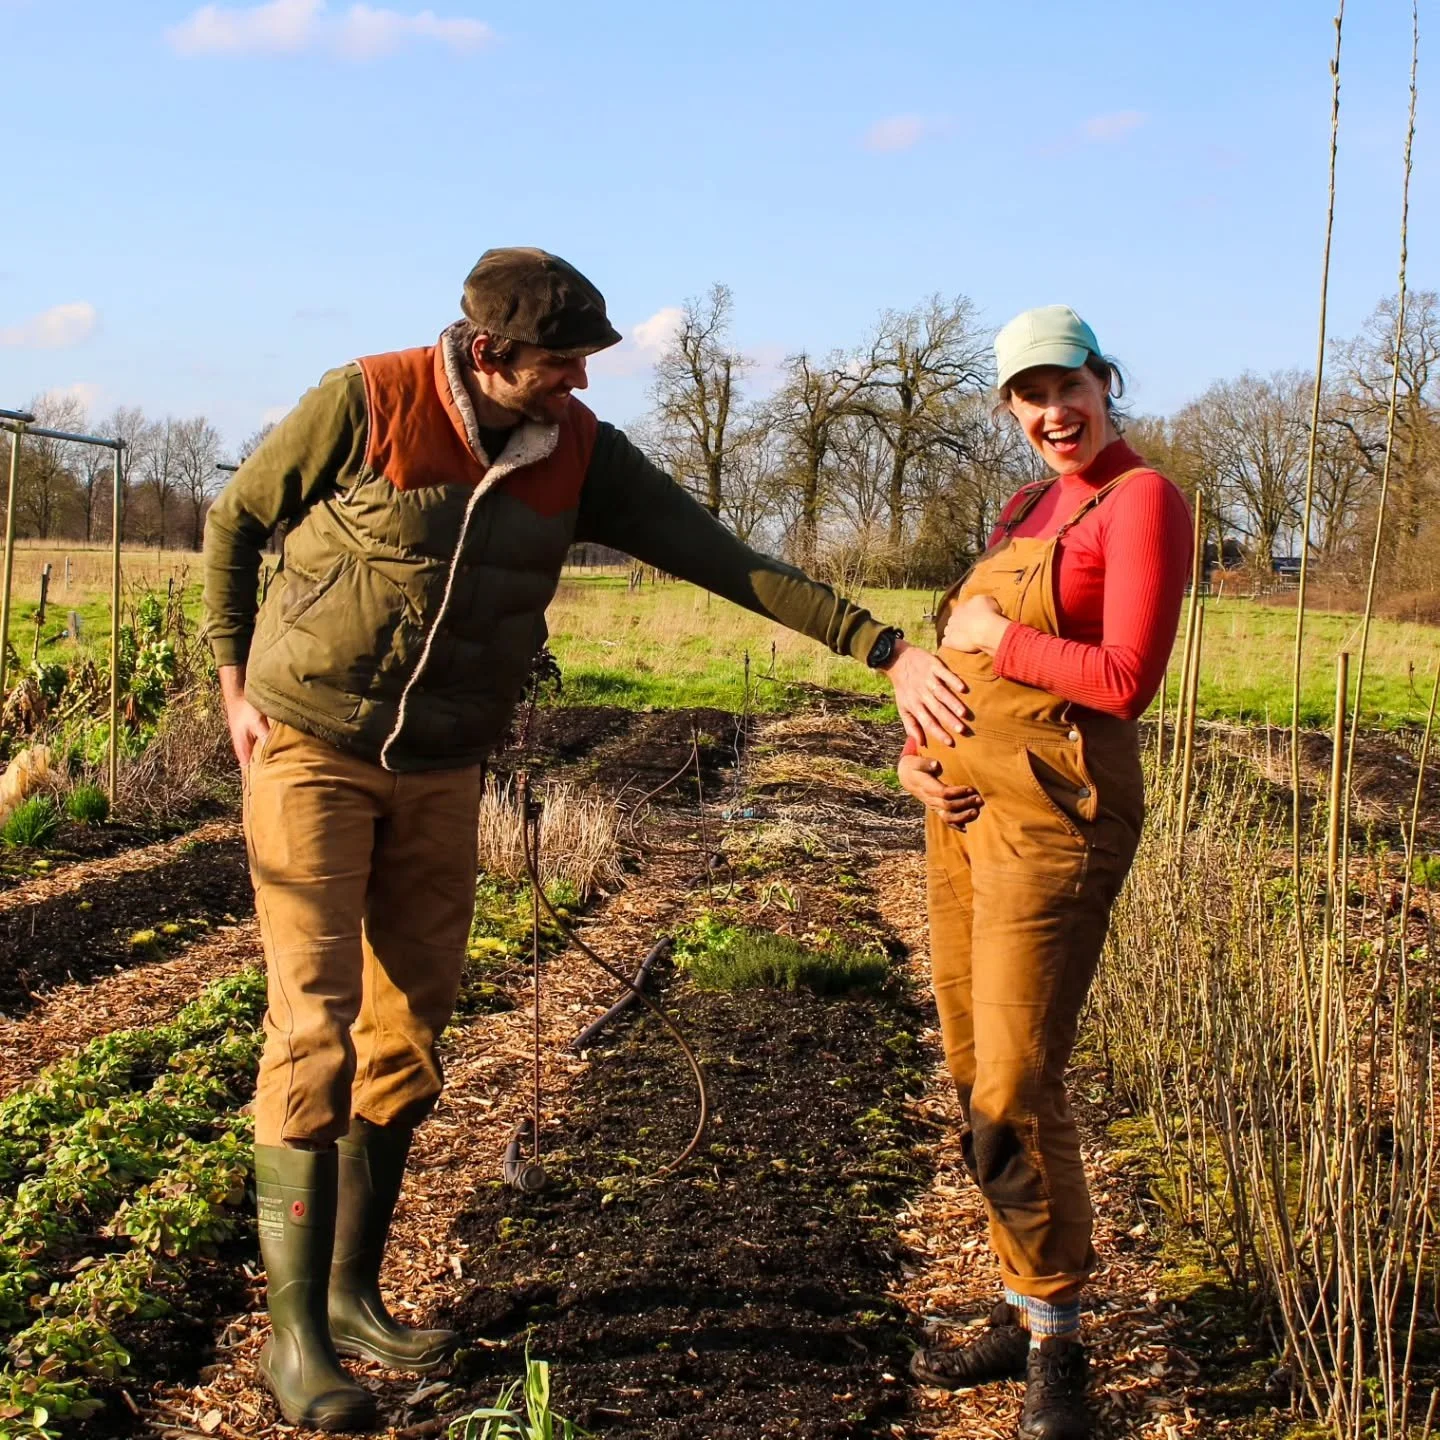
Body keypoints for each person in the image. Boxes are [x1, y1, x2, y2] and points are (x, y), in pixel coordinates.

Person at [202, 247, 974, 1432]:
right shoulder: (367, 399)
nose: (574, 388)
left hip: (443, 768)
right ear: (485, 353)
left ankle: (354, 1301)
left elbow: (725, 558)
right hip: (312, 744)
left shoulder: (580, 455)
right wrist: (232, 679)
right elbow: (238, 520)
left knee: (409, 1031)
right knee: (316, 1025)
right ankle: (293, 1344)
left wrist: (883, 648)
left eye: (581, 367)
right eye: (555, 368)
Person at [900, 305, 1192, 1439]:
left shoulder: (1141, 500)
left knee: (1016, 1085)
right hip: (961, 816)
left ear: (1105, 384)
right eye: (1029, 396)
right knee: (974, 1068)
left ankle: (1058, 1349)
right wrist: (920, 759)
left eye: (1069, 388)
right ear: (1010, 409)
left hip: (1056, 821)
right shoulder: (1028, 508)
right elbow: (950, 660)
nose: (1052, 414)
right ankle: (1021, 1302)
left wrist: (991, 635)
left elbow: (1125, 676)